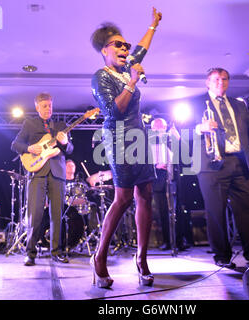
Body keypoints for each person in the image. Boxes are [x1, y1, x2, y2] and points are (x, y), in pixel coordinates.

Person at [90, 7, 162, 288]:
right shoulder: (101, 76)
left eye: (126, 45)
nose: (125, 48)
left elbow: (142, 48)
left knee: (145, 194)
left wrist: (153, 24)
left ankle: (141, 258)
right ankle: (99, 258)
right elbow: (113, 111)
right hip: (119, 138)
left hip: (139, 137)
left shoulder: (127, 66)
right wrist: (132, 80)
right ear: (105, 50)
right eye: (118, 45)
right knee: (123, 199)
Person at [195, 67, 249, 269]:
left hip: (239, 161)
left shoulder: (239, 104)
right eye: (217, 79)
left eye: (225, 79)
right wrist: (199, 128)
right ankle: (222, 256)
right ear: (208, 82)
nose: (221, 82)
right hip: (212, 164)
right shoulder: (195, 102)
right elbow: (179, 131)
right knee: (216, 211)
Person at [11, 93, 74, 266]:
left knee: (57, 215)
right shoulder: (29, 124)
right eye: (45, 106)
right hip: (36, 172)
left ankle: (57, 251)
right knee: (34, 214)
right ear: (37, 107)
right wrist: (29, 147)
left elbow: (69, 150)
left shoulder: (61, 125)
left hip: (57, 173)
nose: (48, 109)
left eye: (50, 106)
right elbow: (15, 144)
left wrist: (66, 142)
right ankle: (30, 253)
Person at [150, 117, 180, 251]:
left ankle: (179, 241)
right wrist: (155, 165)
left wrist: (177, 140)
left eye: (161, 127)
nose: (159, 130)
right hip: (156, 177)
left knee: (176, 210)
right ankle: (168, 241)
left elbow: (180, 155)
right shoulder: (148, 143)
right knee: (162, 211)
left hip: (170, 177)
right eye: (156, 128)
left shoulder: (170, 139)